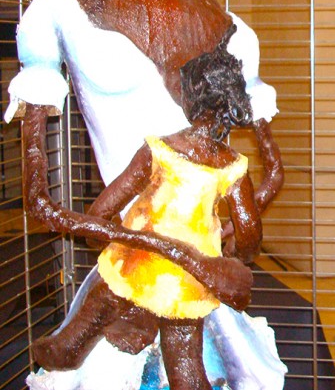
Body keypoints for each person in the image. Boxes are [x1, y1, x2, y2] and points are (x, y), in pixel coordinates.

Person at [6, 0, 285, 389]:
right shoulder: (62, 9)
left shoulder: (230, 29)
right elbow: (41, 201)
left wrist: (211, 246)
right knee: (83, 354)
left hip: (188, 275)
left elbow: (269, 173)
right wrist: (161, 247)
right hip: (126, 261)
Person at [27, 28, 286, 390]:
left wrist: (114, 236)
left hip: (131, 268)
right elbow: (249, 235)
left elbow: (101, 210)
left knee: (69, 346)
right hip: (187, 288)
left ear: (190, 97)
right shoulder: (233, 167)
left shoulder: (158, 150)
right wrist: (230, 255)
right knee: (188, 373)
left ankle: (62, 352)